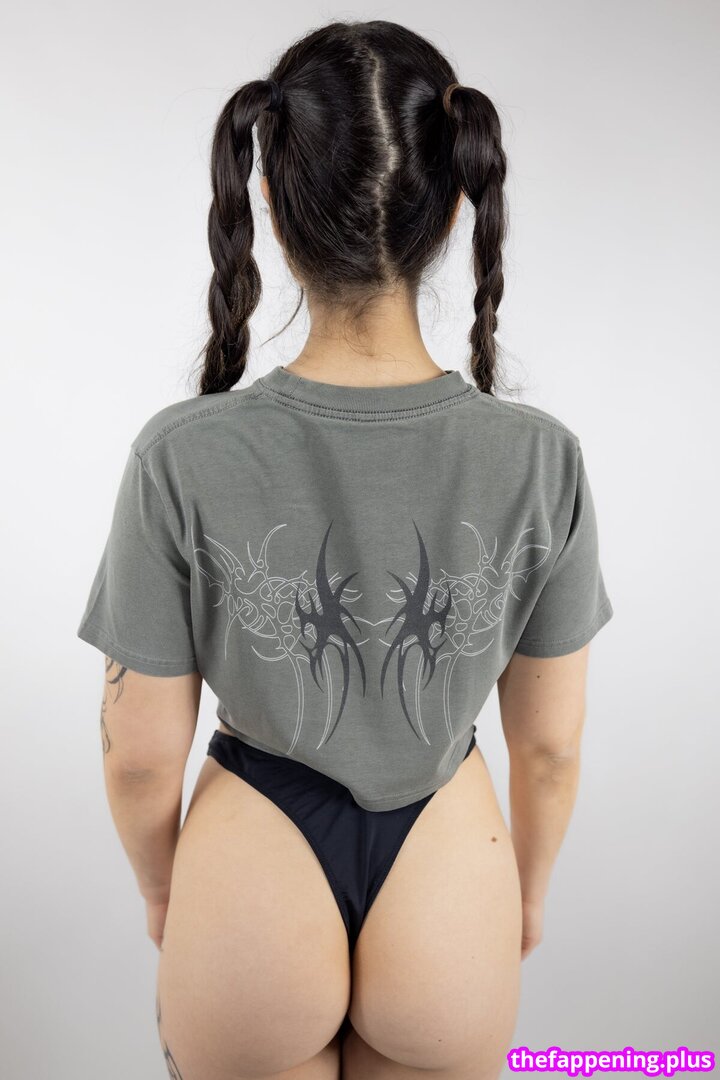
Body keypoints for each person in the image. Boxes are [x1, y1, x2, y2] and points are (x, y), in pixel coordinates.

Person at [76, 18, 614, 1080]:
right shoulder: (541, 458)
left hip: (253, 863)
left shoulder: (181, 453)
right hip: (450, 862)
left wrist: (165, 890)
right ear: (453, 202)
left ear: (272, 203)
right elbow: (549, 747)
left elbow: (138, 755)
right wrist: (525, 891)